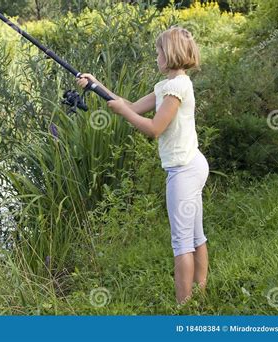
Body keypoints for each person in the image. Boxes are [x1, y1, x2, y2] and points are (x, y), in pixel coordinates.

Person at [77, 27, 209, 304]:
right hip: (191, 164)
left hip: (184, 169)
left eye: (158, 52)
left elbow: (154, 129)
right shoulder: (168, 86)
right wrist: (96, 84)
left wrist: (123, 112)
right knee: (196, 235)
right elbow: (133, 106)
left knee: (182, 242)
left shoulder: (176, 88)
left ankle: (183, 307)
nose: (156, 57)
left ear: (170, 53)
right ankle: (199, 293)